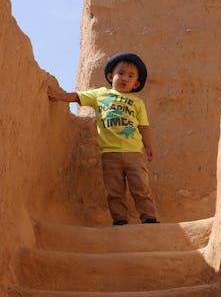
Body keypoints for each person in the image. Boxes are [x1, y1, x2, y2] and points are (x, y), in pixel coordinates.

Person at [47, 51, 159, 225]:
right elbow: (77, 96)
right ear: (110, 76)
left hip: (134, 153)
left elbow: (143, 126)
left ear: (136, 83)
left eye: (130, 76)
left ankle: (149, 218)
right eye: (120, 73)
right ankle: (120, 220)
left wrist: (149, 146)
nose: (124, 78)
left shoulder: (137, 103)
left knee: (141, 187)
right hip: (110, 153)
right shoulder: (100, 95)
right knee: (115, 190)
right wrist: (59, 96)